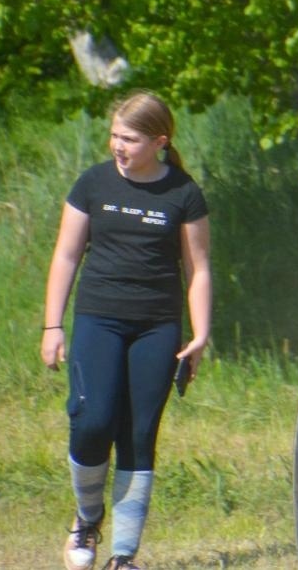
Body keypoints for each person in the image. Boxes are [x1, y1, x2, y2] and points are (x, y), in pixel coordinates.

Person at [42, 90, 212, 570]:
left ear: (159, 141)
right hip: (99, 318)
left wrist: (200, 333)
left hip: (157, 326)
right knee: (92, 421)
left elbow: (198, 268)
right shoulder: (92, 185)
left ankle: (123, 555)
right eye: (115, 135)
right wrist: (53, 324)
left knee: (139, 433)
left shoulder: (183, 193)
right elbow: (66, 255)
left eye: (130, 138)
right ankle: (87, 517)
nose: (118, 145)